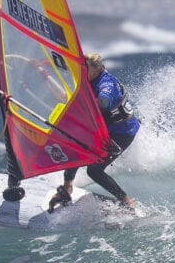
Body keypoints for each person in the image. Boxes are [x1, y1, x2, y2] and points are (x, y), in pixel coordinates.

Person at [49, 52, 140, 211]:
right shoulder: (89, 78)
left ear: (97, 69)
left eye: (85, 69)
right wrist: (44, 74)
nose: (81, 72)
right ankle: (67, 188)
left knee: (94, 170)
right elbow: (65, 97)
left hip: (121, 133)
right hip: (104, 130)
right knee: (76, 146)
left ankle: (128, 201)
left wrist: (84, 105)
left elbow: (104, 102)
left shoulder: (107, 84)